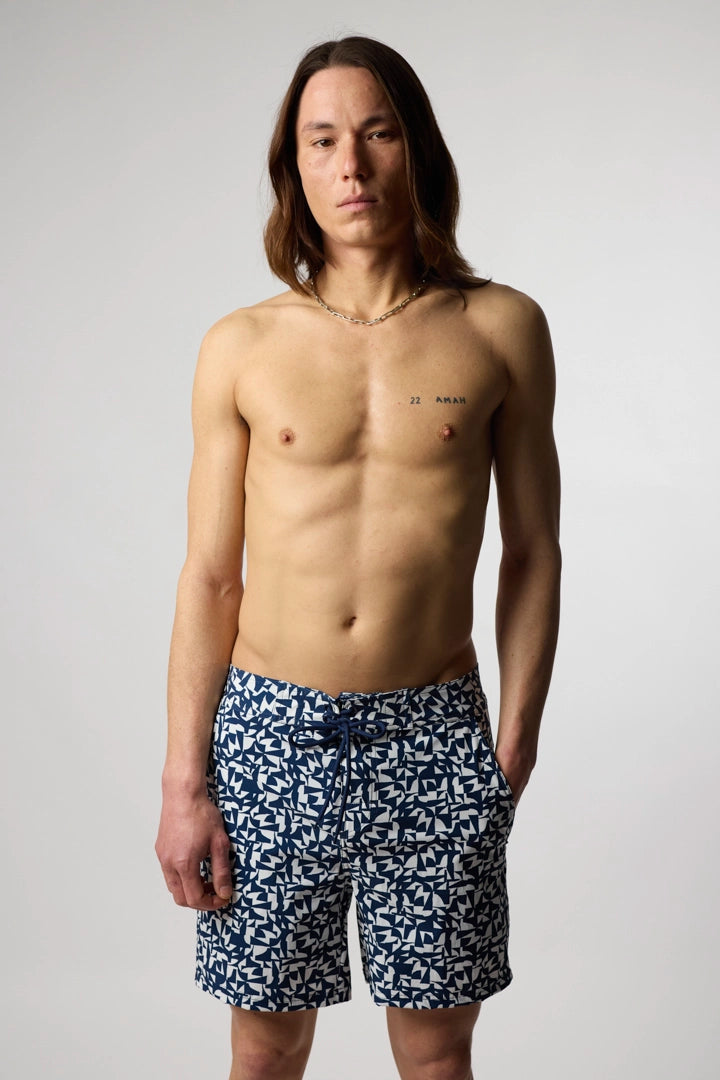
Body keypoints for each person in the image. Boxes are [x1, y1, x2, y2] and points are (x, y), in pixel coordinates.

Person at [155, 34, 561, 1080]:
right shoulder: (241, 346)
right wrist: (184, 781)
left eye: (377, 134)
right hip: (271, 733)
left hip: (434, 732)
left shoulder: (500, 328)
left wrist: (513, 743)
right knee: (265, 1048)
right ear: (294, 166)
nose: (351, 165)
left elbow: (533, 550)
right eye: (323, 140)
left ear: (415, 148)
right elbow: (211, 576)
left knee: (436, 1052)